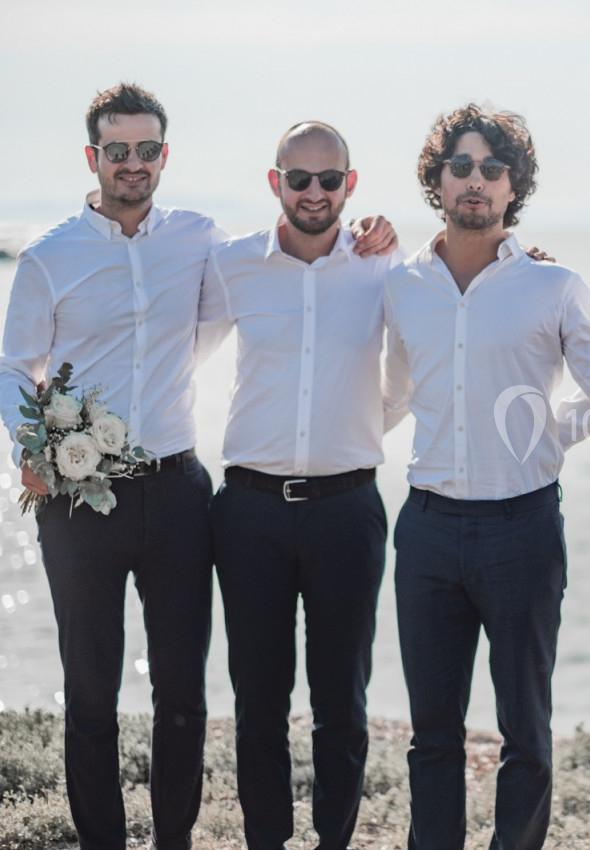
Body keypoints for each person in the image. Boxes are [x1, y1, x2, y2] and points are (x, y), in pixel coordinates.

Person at [0, 83, 393, 850]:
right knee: (90, 693)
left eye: (148, 150)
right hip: (78, 500)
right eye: (119, 151)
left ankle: (174, 840)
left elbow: (248, 296)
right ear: (95, 158)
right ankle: (102, 842)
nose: (134, 164)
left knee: (184, 695)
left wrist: (379, 235)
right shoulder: (50, 256)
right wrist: (32, 449)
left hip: (180, 491)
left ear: (163, 155)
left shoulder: (198, 238)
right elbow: (14, 364)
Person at [384, 103, 590, 850]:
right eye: (460, 165)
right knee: (432, 733)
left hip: (521, 530)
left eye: (493, 169)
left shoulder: (552, 286)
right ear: (438, 178)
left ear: (512, 185)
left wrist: (549, 434)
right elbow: (390, 397)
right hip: (425, 529)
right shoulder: (400, 285)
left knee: (526, 727)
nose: (476, 181)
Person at [199, 122, 399, 850]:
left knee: (342, 705)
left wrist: (367, 423)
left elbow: (427, 345)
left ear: (351, 183)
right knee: (257, 703)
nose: (314, 193)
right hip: (248, 511)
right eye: (299, 178)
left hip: (348, 509)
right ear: (274, 181)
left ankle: (334, 841)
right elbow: (168, 345)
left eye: (329, 179)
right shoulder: (232, 266)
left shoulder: (385, 265)